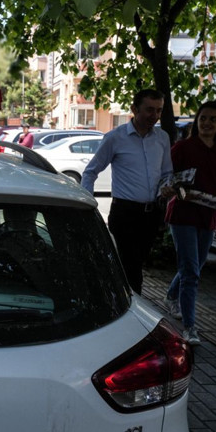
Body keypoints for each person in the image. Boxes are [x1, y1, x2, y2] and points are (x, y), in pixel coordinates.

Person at [163, 101, 216, 345]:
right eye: (203, 118)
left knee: (194, 267)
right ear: (196, 121)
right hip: (182, 216)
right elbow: (168, 180)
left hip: (209, 217)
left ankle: (171, 296)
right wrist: (176, 191)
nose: (207, 123)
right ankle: (190, 327)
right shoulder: (182, 148)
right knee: (191, 272)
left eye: (212, 119)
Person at [82, 88, 174, 294]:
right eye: (149, 110)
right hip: (125, 213)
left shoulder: (162, 138)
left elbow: (167, 172)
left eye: (159, 111)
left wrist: (165, 187)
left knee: (135, 265)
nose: (155, 116)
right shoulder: (116, 138)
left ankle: (115, 298)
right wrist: (88, 203)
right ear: (134, 109)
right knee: (132, 268)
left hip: (151, 215)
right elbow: (90, 172)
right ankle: (132, 309)